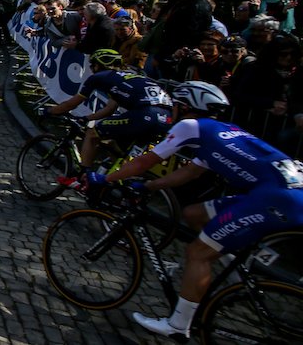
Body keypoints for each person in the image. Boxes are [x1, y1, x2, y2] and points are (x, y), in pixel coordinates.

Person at [95, 81, 303, 339]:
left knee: (198, 252)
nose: (172, 111)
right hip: (287, 192)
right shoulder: (225, 129)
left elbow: (147, 160)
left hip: (274, 199)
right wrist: (150, 186)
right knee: (194, 214)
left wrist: (106, 179)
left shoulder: (190, 126)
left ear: (185, 106)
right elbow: (191, 172)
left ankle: (178, 326)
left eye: (175, 106)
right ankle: (234, 274)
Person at [42, 48, 173, 182]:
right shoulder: (128, 77)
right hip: (166, 118)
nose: (92, 69)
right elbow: (109, 109)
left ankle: (83, 175)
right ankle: (113, 182)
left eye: (92, 65)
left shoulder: (99, 77)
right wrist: (87, 118)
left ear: (98, 65)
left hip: (146, 114)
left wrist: (49, 111)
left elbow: (71, 104)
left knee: (93, 133)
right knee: (116, 147)